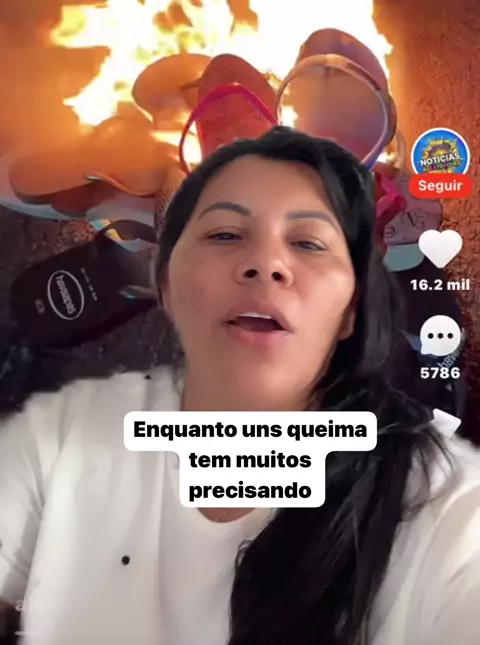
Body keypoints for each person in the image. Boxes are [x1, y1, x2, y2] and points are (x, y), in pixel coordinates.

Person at [0, 126, 479, 645]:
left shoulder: (443, 515)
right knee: (427, 384)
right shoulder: (59, 444)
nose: (266, 264)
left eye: (308, 242)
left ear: (351, 310)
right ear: (165, 285)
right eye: (225, 235)